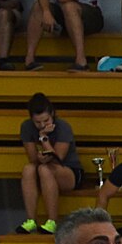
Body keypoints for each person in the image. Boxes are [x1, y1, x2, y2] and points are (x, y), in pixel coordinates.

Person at [17, 93, 81, 235]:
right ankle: (30, 220)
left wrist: (43, 138)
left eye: (45, 120)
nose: (42, 125)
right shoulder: (26, 127)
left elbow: (58, 157)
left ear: (52, 114)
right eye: (37, 122)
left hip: (68, 170)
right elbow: (32, 159)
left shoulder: (63, 127)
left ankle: (52, 221)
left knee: (45, 170)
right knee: (28, 169)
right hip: (43, 166)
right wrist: (40, 157)